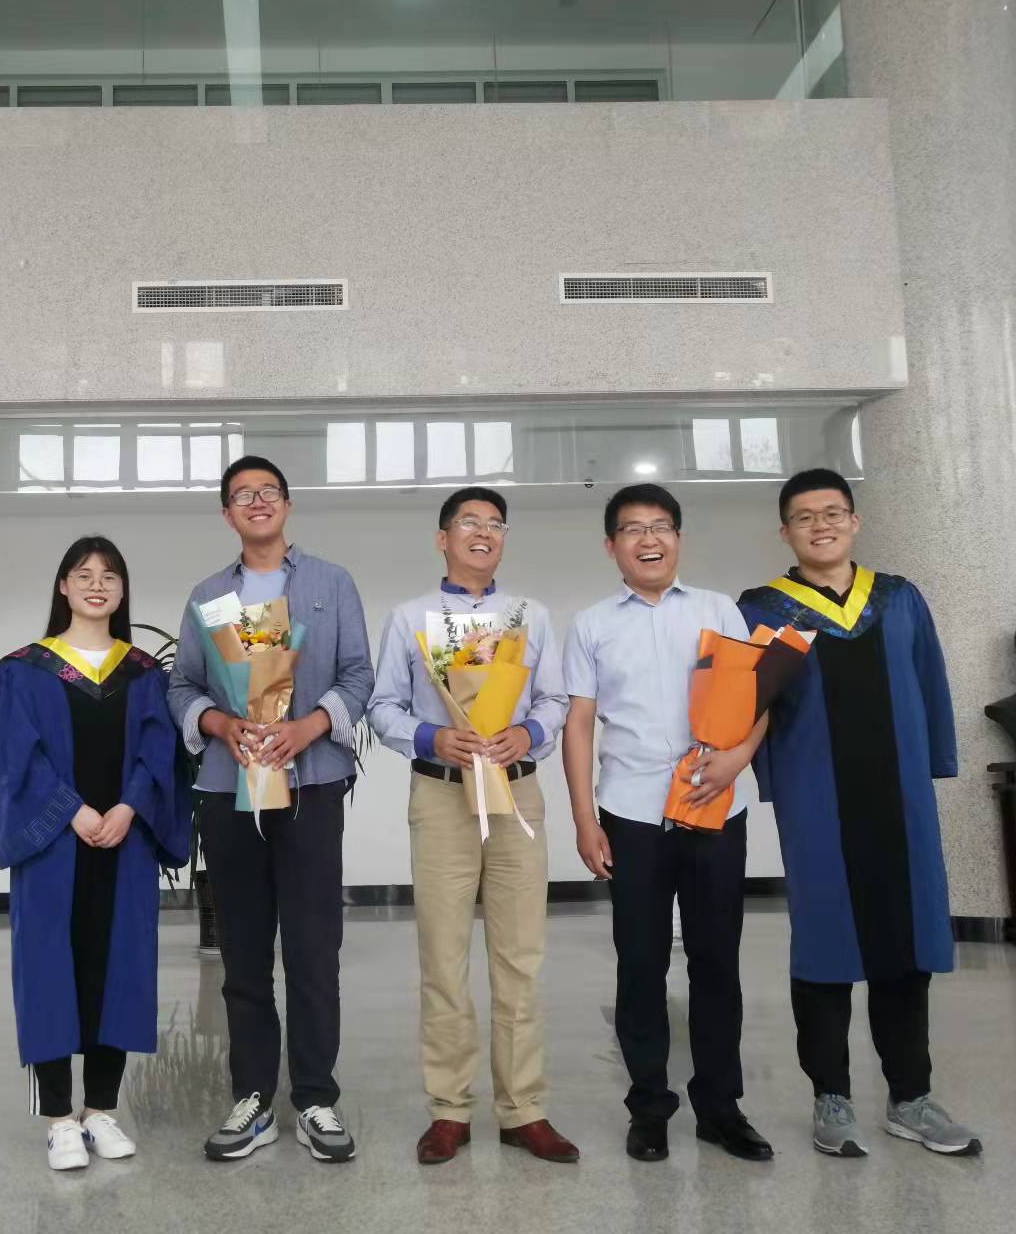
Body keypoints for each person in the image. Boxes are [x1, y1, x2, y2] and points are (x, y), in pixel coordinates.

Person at [738, 468, 981, 1159]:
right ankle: (831, 1096)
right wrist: (762, 778)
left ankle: (911, 1097)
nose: (820, 525)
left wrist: (936, 760)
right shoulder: (762, 609)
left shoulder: (899, 598)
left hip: (900, 796)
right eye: (804, 516)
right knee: (824, 941)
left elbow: (930, 681)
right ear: (784, 531)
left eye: (832, 512)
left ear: (854, 521)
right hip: (816, 797)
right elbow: (745, 704)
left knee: (907, 941)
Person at [167, 456, 375, 1163]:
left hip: (311, 785)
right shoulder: (207, 596)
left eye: (268, 491)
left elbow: (359, 675)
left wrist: (308, 726)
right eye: (242, 495)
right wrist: (221, 724)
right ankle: (252, 1097)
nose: (256, 502)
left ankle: (315, 1097)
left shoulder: (331, 583)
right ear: (227, 513)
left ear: (287, 503)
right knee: (244, 952)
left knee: (315, 948)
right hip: (230, 790)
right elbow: (182, 686)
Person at [561, 484, 773, 1165]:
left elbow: (758, 697)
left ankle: (721, 1108)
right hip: (631, 813)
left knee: (716, 962)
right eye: (633, 529)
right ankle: (649, 1108)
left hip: (717, 808)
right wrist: (584, 819)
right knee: (641, 962)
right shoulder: (592, 624)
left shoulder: (719, 609)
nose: (648, 539)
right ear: (611, 546)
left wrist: (738, 759)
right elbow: (579, 724)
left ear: (678, 538)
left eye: (660, 527)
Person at [367, 487, 577, 1165]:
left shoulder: (530, 615)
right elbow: (382, 705)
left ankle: (524, 1109)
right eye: (469, 522)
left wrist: (529, 731)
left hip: (518, 794)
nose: (483, 532)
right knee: (443, 957)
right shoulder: (411, 617)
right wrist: (432, 737)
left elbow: (555, 698)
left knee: (520, 956)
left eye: (495, 524)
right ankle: (449, 1109)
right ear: (443, 538)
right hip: (442, 795)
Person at [0, 536, 191, 1172]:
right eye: (84, 574)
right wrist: (72, 810)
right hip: (54, 847)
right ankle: (58, 1121)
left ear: (122, 591)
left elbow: (160, 756)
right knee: (48, 970)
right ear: (63, 587)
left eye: (110, 576)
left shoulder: (144, 673)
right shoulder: (23, 670)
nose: (97, 585)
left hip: (124, 843)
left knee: (118, 969)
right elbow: (12, 760)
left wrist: (128, 808)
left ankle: (100, 1112)